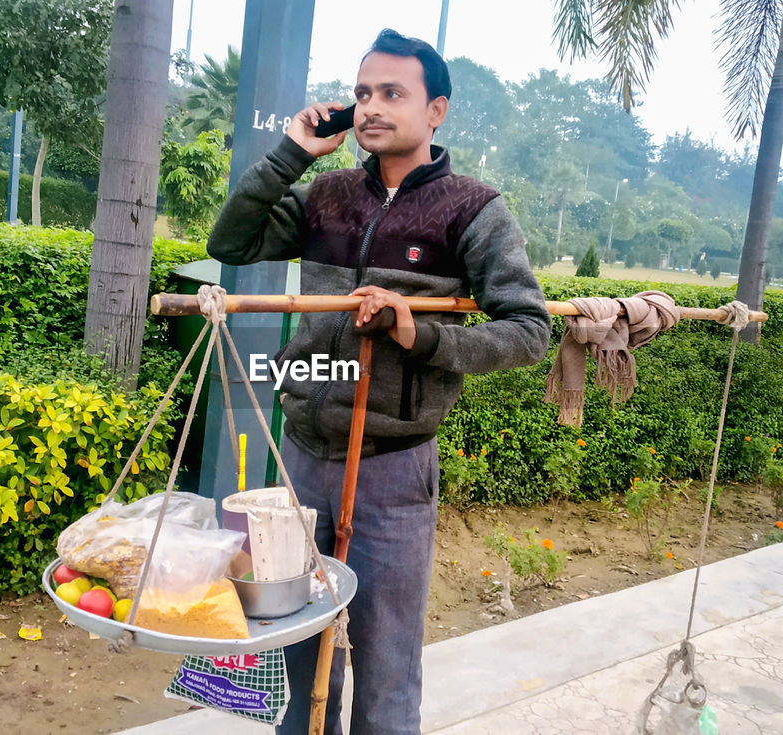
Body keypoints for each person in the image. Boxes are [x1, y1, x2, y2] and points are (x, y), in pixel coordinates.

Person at [206, 29, 550, 735]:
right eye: (363, 93)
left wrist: (416, 333)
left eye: (392, 93)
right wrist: (293, 152)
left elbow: (527, 330)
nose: (370, 107)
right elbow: (230, 243)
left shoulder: (472, 209)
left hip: (393, 470)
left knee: (387, 660)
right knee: (296, 639)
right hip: (301, 457)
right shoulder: (326, 196)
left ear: (437, 111)